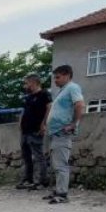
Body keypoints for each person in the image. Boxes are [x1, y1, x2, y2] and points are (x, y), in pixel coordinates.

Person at [44, 65, 85, 204]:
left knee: (61, 163)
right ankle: (58, 190)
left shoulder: (72, 88)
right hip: (55, 132)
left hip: (62, 131)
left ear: (67, 75)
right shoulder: (63, 91)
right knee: (56, 163)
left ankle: (62, 194)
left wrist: (74, 123)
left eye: (58, 77)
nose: (55, 80)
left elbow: (79, 104)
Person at [17, 74, 52, 191]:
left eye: (26, 83)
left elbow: (49, 108)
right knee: (26, 156)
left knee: (38, 156)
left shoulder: (44, 94)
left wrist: (44, 124)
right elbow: (24, 111)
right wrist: (20, 122)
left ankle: (42, 181)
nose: (25, 85)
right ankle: (28, 179)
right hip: (25, 131)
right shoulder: (29, 97)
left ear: (33, 82)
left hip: (35, 130)